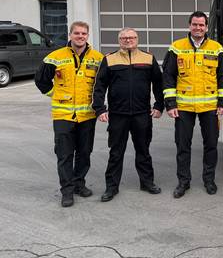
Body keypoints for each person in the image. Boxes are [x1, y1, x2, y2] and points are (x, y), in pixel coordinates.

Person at [162, 11, 223, 198]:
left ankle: (209, 180)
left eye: (201, 25)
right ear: (189, 26)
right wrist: (170, 104)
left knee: (211, 145)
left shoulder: (217, 48)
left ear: (206, 27)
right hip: (183, 107)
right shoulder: (176, 47)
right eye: (195, 24)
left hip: (210, 107)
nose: (198, 28)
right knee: (182, 146)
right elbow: (168, 76)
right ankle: (183, 182)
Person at [34, 21, 104, 207]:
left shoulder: (98, 58)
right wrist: (55, 94)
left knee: (84, 153)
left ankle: (79, 184)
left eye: (83, 33)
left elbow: (103, 84)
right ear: (70, 35)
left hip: (87, 116)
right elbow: (41, 80)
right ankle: (67, 191)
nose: (80, 36)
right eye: (77, 33)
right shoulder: (55, 57)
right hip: (63, 116)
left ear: (88, 36)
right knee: (64, 155)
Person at [92, 28, 164, 202]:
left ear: (137, 39)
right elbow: (99, 86)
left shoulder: (148, 58)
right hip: (118, 115)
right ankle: (111, 187)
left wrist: (159, 106)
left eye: (131, 37)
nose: (128, 40)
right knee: (116, 152)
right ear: (119, 40)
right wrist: (100, 109)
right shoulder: (109, 59)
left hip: (142, 114)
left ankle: (147, 183)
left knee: (143, 150)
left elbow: (158, 84)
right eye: (124, 38)